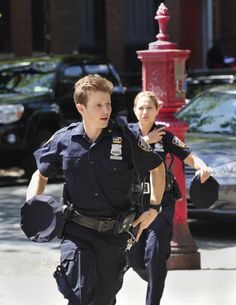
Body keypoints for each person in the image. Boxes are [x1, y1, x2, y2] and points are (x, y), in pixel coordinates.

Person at [26, 75, 166, 305]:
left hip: (114, 237)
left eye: (108, 104)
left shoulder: (127, 137)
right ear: (81, 108)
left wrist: (153, 208)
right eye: (98, 105)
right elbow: (39, 174)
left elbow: (157, 167)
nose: (106, 110)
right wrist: (33, 204)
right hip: (77, 233)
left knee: (103, 299)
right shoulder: (64, 139)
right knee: (80, 297)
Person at [127, 91, 212, 305]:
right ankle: (157, 276)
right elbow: (122, 157)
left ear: (157, 111)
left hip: (161, 203)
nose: (145, 112)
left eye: (150, 108)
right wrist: (145, 141)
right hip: (135, 205)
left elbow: (188, 155)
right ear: (134, 110)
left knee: (154, 253)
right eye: (141, 108)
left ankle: (153, 299)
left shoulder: (165, 135)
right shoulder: (126, 134)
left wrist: (202, 167)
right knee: (135, 259)